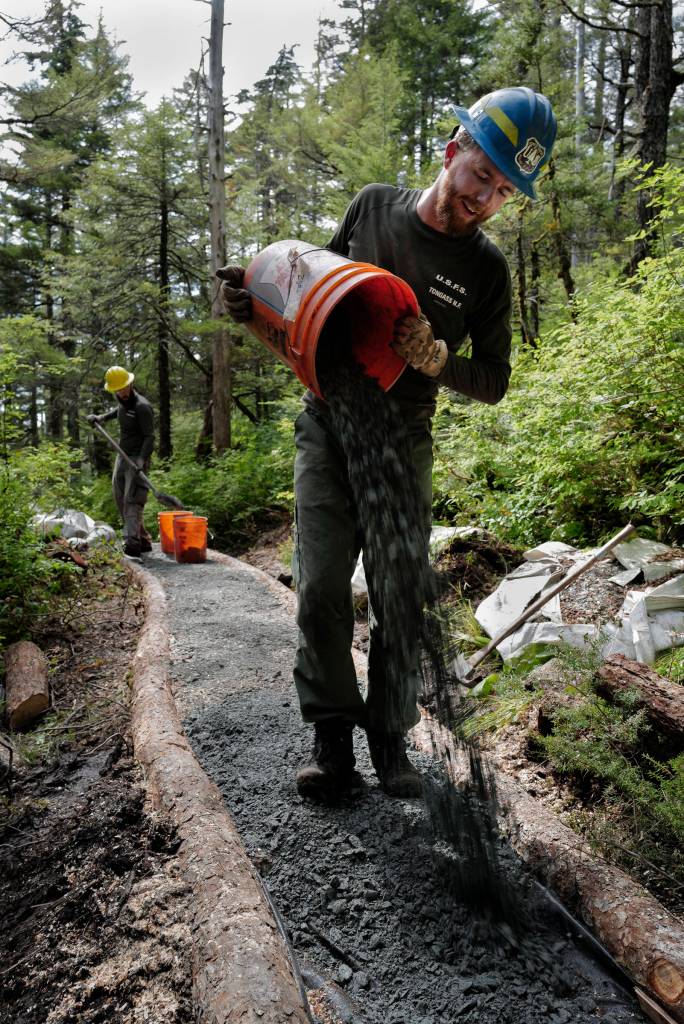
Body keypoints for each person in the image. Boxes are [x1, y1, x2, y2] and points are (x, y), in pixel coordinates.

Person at [217, 87, 557, 802]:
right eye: (480, 173)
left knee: (399, 594)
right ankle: (333, 739)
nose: (484, 197)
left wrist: (437, 361)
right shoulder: (373, 206)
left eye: (501, 190)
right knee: (318, 585)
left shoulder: (487, 273)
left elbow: (494, 380)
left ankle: (391, 739)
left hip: (402, 437)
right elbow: (310, 291)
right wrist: (253, 304)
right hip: (328, 420)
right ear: (451, 151)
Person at [88, 366, 155, 559]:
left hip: (137, 457)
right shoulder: (122, 402)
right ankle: (143, 539)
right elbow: (118, 411)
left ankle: (132, 544)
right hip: (122, 454)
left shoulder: (142, 407)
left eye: (124, 388)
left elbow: (150, 437)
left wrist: (141, 460)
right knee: (119, 496)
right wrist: (100, 418)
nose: (121, 392)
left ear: (130, 384)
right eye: (117, 390)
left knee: (132, 499)